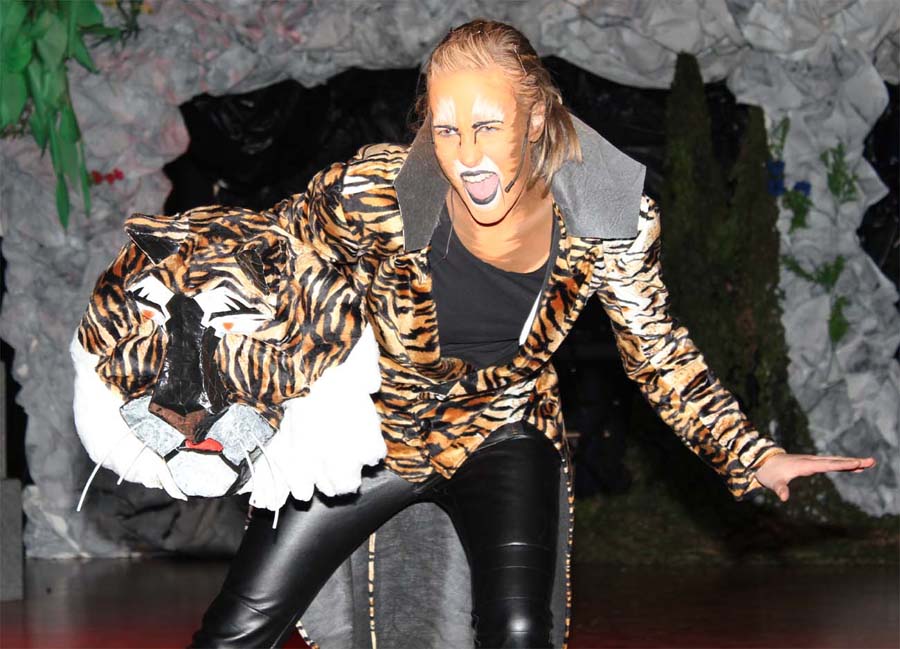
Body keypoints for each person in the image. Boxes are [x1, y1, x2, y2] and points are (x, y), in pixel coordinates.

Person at [190, 19, 876, 649]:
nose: (467, 155)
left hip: (502, 429)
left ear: (536, 117)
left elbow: (658, 351)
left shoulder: (607, 218)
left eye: (488, 125)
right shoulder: (371, 194)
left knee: (519, 630)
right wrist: (199, 386)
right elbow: (258, 264)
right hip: (373, 432)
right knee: (238, 625)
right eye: (446, 130)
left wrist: (753, 455)